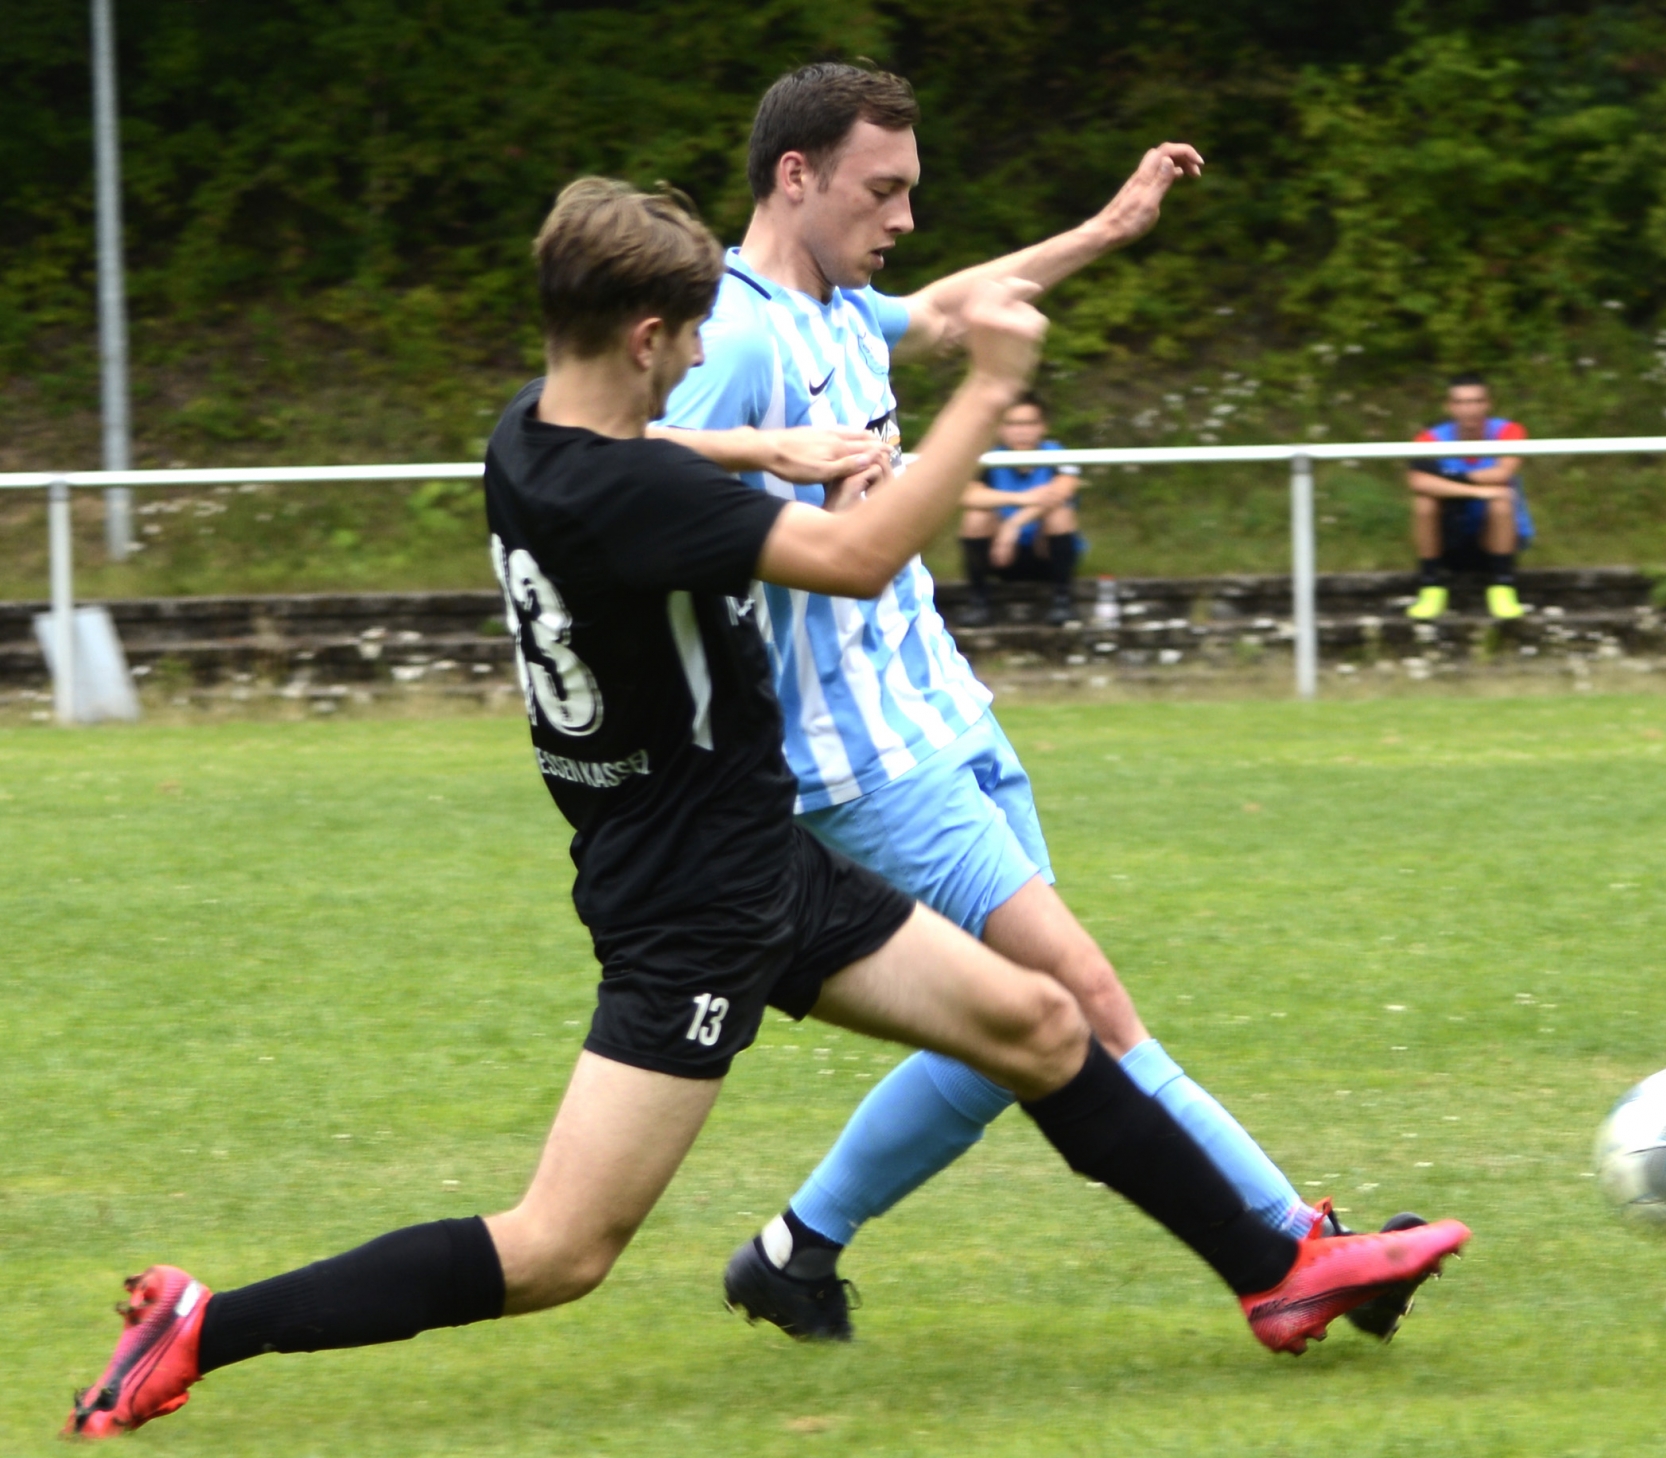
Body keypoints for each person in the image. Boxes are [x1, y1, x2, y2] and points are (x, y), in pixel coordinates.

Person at [61, 180, 1468, 1441]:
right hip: (695, 905)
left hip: (745, 851)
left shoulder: (529, 436)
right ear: (645, 340)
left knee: (1043, 1023)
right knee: (559, 1248)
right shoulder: (633, 495)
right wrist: (988, 388)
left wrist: (766, 446)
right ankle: (206, 1326)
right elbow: (857, 557)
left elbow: (657, 461)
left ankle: (1277, 1274)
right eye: (687, 336)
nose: (698, 353)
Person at [658, 61, 1456, 1350]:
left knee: (1017, 1033)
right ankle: (1293, 1250)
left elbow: (952, 307)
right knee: (1080, 1000)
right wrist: (774, 463)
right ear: (795, 177)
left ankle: (794, 1255)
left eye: (911, 190)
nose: (905, 216)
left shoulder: (838, 307)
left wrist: (1107, 229)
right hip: (863, 765)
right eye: (882, 190)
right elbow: (615, 466)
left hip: (946, 718)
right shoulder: (738, 334)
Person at [1405, 373, 1531, 620]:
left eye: (1476, 401)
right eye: (1461, 402)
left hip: (1493, 531)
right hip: (1450, 533)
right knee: (1424, 502)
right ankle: (1431, 585)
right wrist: (1476, 490)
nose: (1469, 409)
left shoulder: (1508, 431)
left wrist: (1449, 479)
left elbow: (1502, 472)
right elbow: (1418, 481)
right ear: (1449, 407)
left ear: (1488, 404)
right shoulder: (1430, 438)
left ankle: (1503, 584)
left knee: (1501, 499)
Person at [956, 393, 1084, 626]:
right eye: (1013, 424)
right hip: (1001, 554)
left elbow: (1062, 491)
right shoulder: (989, 459)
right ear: (1000, 428)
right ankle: (978, 602)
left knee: (1060, 514)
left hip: (1043, 551)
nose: (1021, 431)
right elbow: (966, 495)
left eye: (1029, 423)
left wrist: (1013, 524)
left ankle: (1062, 601)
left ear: (1043, 427)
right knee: (975, 517)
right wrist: (1022, 498)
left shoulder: (1059, 454)